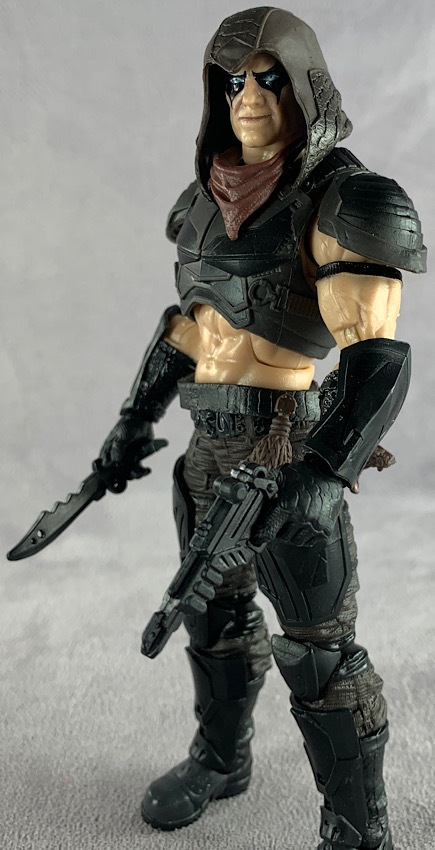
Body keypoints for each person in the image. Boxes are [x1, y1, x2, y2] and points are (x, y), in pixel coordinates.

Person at [99, 8, 426, 849]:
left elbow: (377, 358)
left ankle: (356, 831)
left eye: (267, 78)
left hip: (286, 449)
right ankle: (221, 758)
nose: (247, 97)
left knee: (320, 654)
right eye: (232, 81)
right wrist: (131, 425)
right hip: (206, 450)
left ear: (303, 85)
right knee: (212, 617)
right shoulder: (201, 203)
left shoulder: (346, 198)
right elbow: (190, 328)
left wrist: (321, 469)